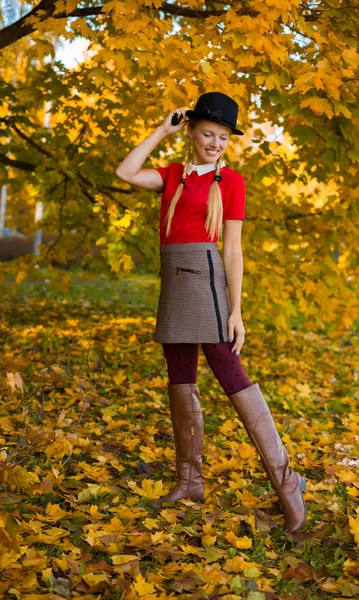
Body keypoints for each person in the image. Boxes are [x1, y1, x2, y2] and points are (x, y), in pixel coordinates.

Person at [115, 92, 307, 533]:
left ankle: (287, 483)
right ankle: (189, 481)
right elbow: (125, 172)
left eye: (223, 137)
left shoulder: (231, 182)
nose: (216, 143)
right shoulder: (173, 176)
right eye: (208, 133)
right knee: (180, 378)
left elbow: (234, 249)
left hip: (207, 283)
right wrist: (162, 130)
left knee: (229, 373)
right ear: (192, 132)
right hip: (174, 284)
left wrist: (236, 309)